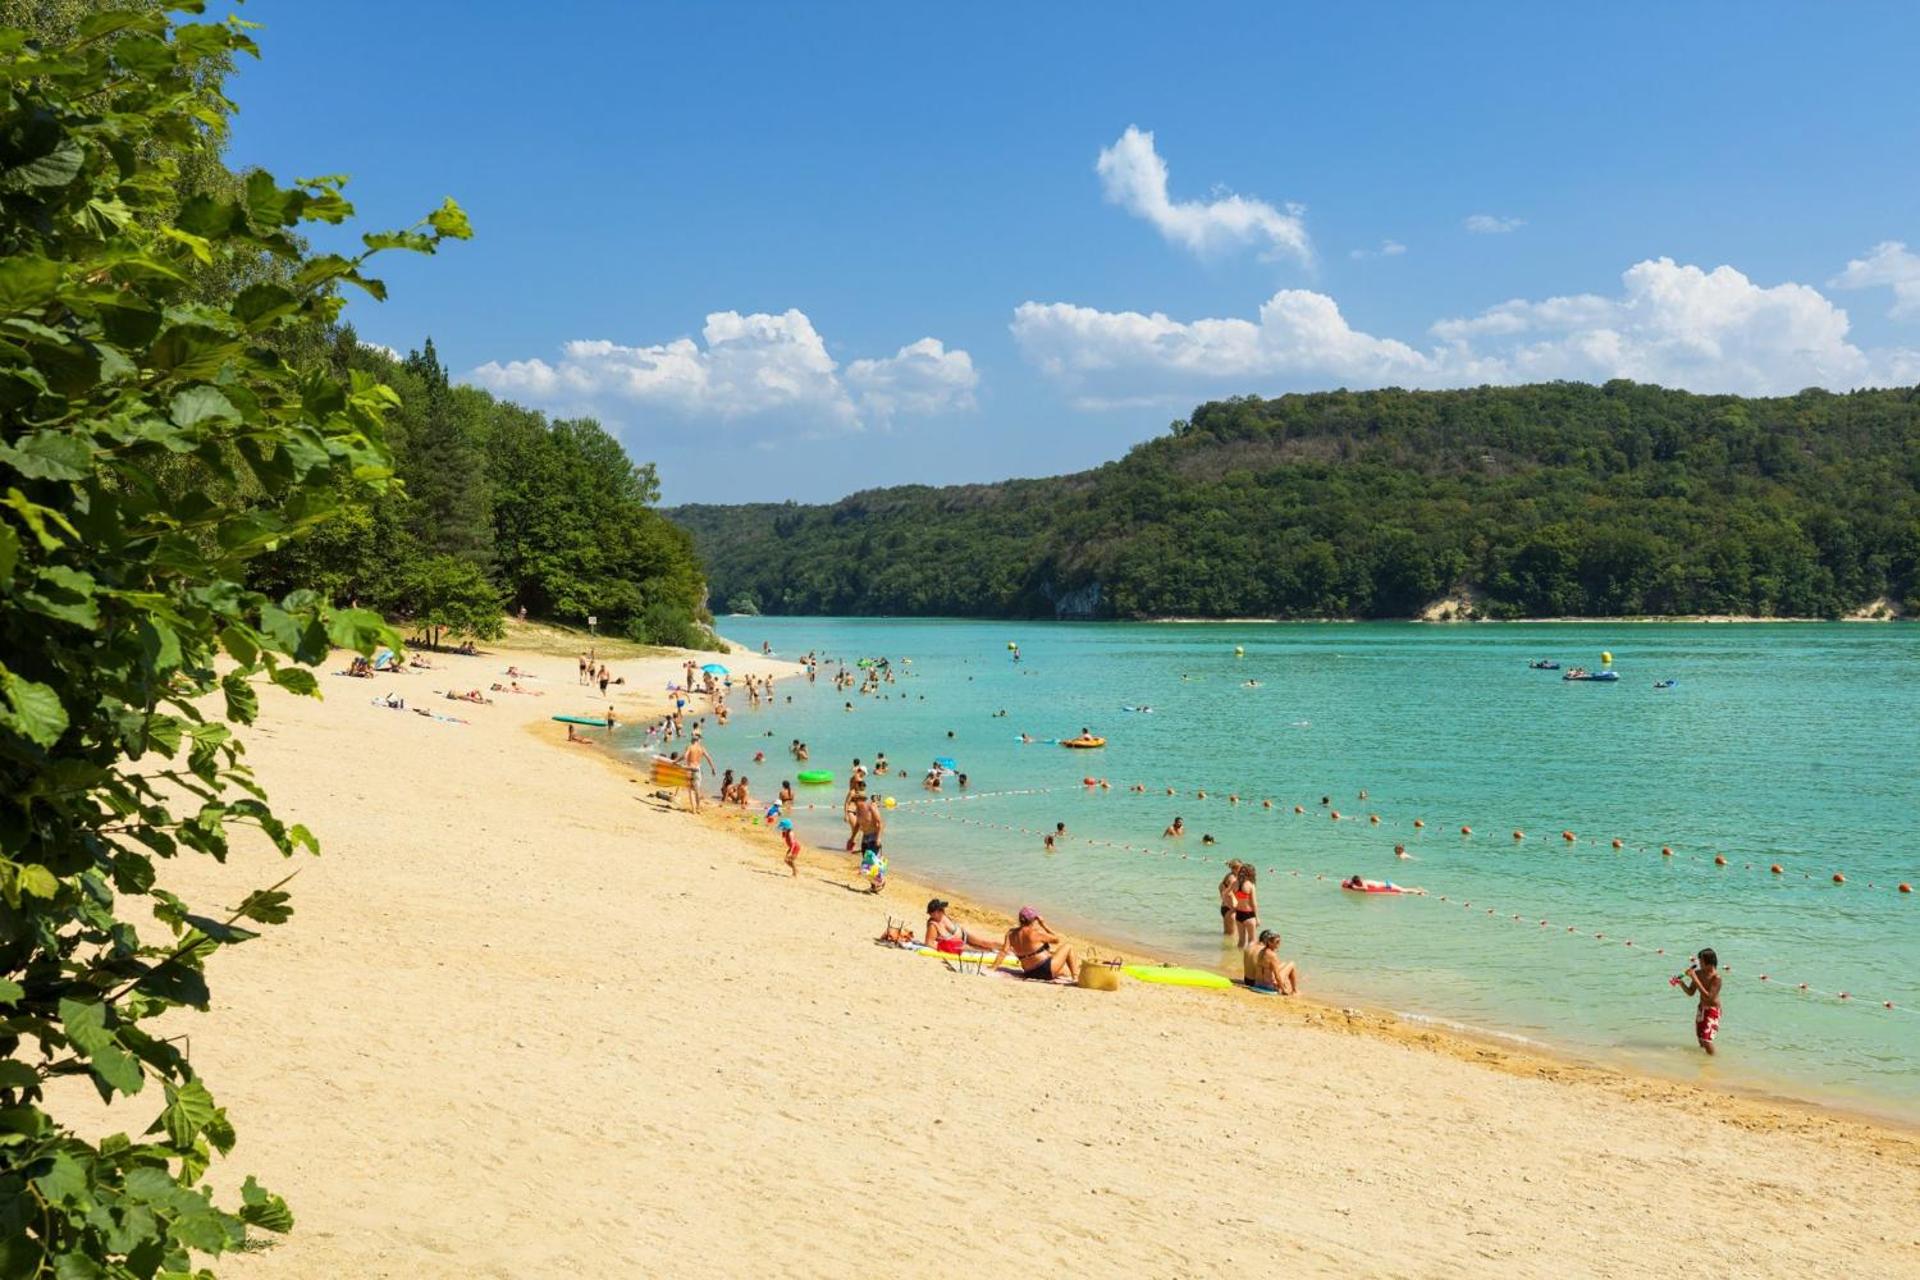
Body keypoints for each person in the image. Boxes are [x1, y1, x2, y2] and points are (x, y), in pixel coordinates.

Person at [992, 907, 1078, 982]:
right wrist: (1043, 925)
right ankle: (1075, 977)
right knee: (1068, 946)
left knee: (1063, 971)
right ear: (1034, 920)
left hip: (1029, 973)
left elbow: (1003, 952)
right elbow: (1057, 939)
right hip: (1045, 970)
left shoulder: (1010, 933)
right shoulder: (1036, 932)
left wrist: (993, 968)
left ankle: (1067, 975)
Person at [1674, 948, 1723, 1055]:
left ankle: (1712, 1064)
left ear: (1709, 963)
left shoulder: (1716, 978)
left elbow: (1709, 997)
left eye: (1701, 961)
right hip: (1701, 1009)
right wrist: (1681, 982)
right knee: (1701, 1040)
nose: (1699, 963)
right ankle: (1702, 1063)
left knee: (1707, 1040)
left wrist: (1694, 978)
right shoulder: (1699, 973)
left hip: (1713, 1011)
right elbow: (1691, 992)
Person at [924, 899, 998, 955]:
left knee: (985, 943)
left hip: (964, 935)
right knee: (984, 950)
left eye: (941, 909)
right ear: (934, 913)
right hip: (957, 944)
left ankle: (1006, 948)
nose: (942, 910)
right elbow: (929, 943)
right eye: (939, 910)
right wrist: (944, 950)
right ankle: (1004, 952)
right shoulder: (933, 925)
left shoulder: (943, 916)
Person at [1241, 929, 1299, 995]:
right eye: (1277, 942)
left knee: (1283, 964)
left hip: (1252, 982)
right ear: (1268, 942)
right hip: (1267, 986)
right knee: (1292, 964)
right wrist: (1283, 990)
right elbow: (1277, 976)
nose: (1279, 944)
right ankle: (1295, 991)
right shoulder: (1272, 955)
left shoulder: (1258, 950)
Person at [854, 798, 886, 893]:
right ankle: (874, 885)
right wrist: (852, 838)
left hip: (873, 836)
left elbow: (880, 823)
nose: (856, 803)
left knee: (872, 863)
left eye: (857, 801)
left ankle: (880, 882)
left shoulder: (871, 807)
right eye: (855, 802)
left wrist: (879, 838)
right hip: (865, 837)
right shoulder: (858, 810)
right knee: (866, 864)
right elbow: (857, 825)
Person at [681, 732, 714, 811]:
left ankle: (693, 809)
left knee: (690, 790)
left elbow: (684, 756)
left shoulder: (689, 747)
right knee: (697, 790)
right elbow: (708, 758)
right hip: (697, 770)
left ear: (692, 740)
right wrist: (713, 768)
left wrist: (682, 764)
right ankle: (698, 807)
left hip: (689, 769)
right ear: (698, 740)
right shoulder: (701, 748)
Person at [1231, 865, 1259, 946]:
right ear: (1250, 873)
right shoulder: (1250, 885)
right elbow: (1254, 903)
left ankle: (1237, 958)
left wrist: (1233, 904)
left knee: (1241, 940)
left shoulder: (1235, 883)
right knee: (1252, 941)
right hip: (1249, 914)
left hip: (1239, 914)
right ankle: (1248, 958)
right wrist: (1257, 918)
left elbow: (1229, 894)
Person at [1217, 860, 1242, 936]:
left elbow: (1220, 887)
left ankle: (1224, 948)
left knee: (1227, 935)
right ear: (1235, 868)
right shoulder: (1233, 879)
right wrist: (1234, 905)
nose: (1242, 870)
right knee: (1233, 936)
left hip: (1225, 907)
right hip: (1231, 909)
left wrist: (1223, 899)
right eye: (1241, 868)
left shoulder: (1229, 875)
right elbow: (1230, 892)